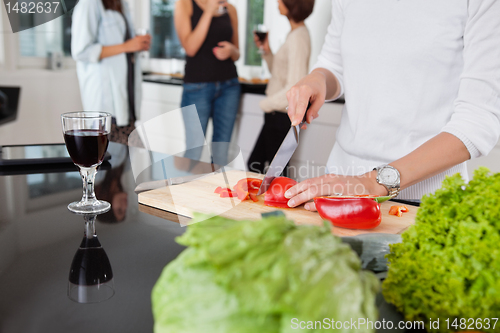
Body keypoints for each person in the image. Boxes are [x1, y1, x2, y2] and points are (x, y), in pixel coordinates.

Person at [284, 0, 500, 211]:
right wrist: (318, 77)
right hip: (338, 187)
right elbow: (333, 64)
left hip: (426, 203)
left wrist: (374, 182)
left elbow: (478, 119)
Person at [247, 0, 314, 177]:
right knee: (259, 167)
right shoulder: (294, 34)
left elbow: (294, 87)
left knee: (271, 172)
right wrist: (265, 51)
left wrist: (265, 104)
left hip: (281, 115)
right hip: (276, 114)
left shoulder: (298, 38)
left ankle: (278, 204)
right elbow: (280, 74)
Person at [71, 0, 151, 146]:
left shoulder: (121, 4)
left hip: (126, 104)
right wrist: (126, 46)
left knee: (133, 162)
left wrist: (137, 44)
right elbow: (80, 51)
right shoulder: (89, 4)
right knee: (118, 162)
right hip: (105, 104)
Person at [174, 0, 241, 167]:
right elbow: (190, 47)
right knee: (194, 152)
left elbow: (237, 52)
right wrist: (209, 11)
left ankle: (217, 192)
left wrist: (231, 50)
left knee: (221, 154)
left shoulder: (230, 9)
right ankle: (185, 193)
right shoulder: (184, 4)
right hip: (197, 88)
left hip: (229, 86)